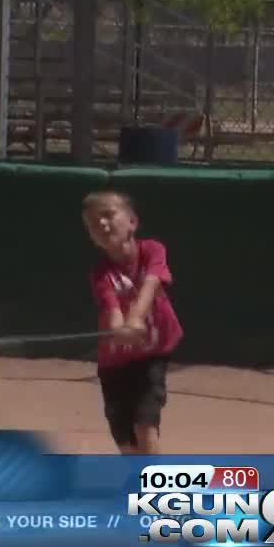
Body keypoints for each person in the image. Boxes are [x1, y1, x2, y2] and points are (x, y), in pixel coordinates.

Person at [82, 191, 183, 455]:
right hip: (114, 364)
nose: (102, 224)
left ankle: (154, 488)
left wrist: (136, 317)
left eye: (108, 215)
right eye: (93, 223)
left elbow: (152, 284)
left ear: (132, 222)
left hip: (153, 354)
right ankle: (137, 477)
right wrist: (118, 329)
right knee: (125, 440)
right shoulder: (101, 275)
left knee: (145, 425)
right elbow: (112, 309)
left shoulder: (153, 250)